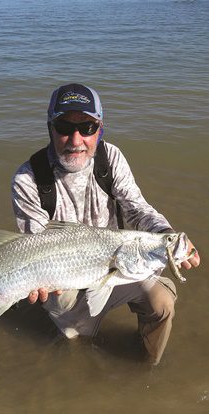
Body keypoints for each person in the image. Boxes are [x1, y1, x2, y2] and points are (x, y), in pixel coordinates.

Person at [11, 83, 200, 365]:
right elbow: (33, 245)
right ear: (50, 127)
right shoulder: (27, 180)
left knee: (162, 302)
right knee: (78, 341)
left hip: (116, 261)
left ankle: (146, 368)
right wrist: (35, 280)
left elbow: (136, 207)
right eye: (64, 126)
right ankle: (82, 365)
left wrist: (165, 234)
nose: (75, 139)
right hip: (64, 279)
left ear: (100, 129)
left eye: (87, 127)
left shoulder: (110, 158)